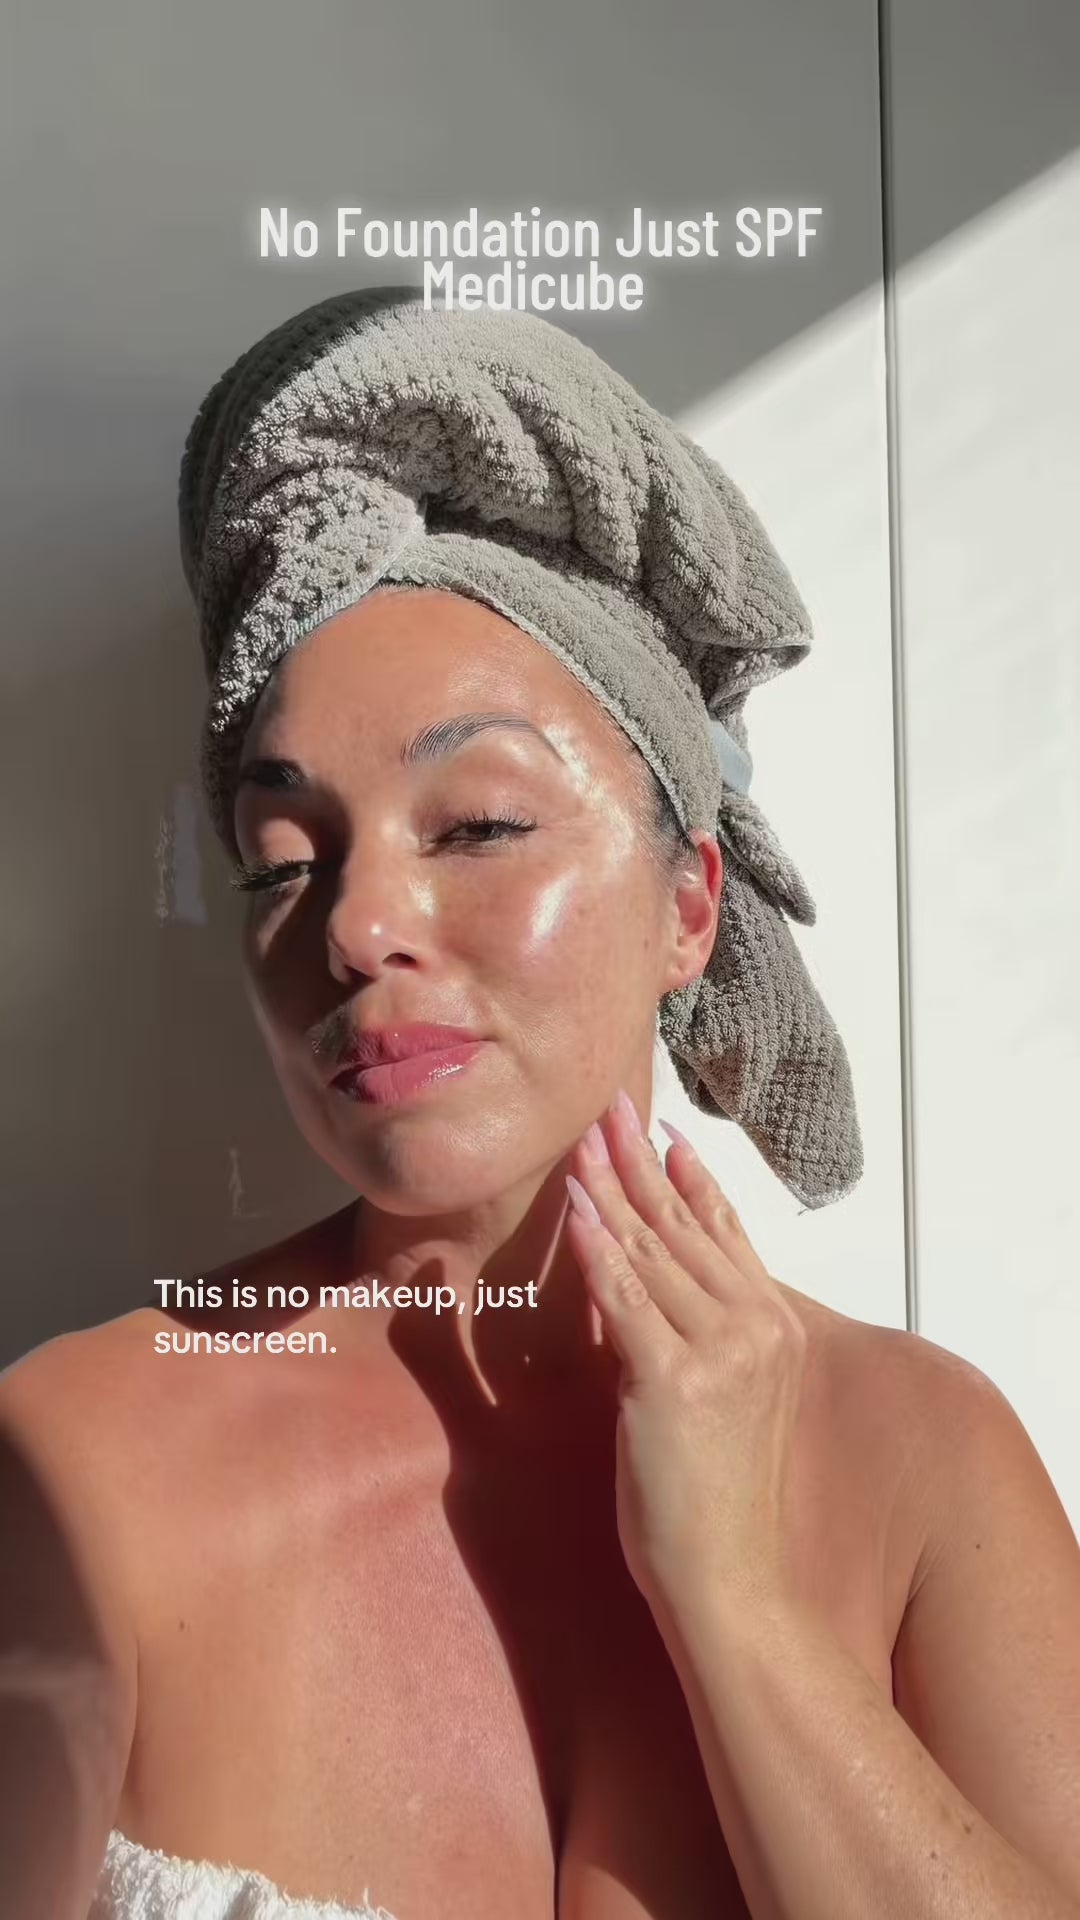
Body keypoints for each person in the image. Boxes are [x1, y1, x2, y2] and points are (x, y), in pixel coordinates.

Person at [3, 294, 1079, 1920]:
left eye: (480, 825)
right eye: (284, 861)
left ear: (690, 907)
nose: (357, 924)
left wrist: (736, 1602)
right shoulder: (78, 1466)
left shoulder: (930, 1462)